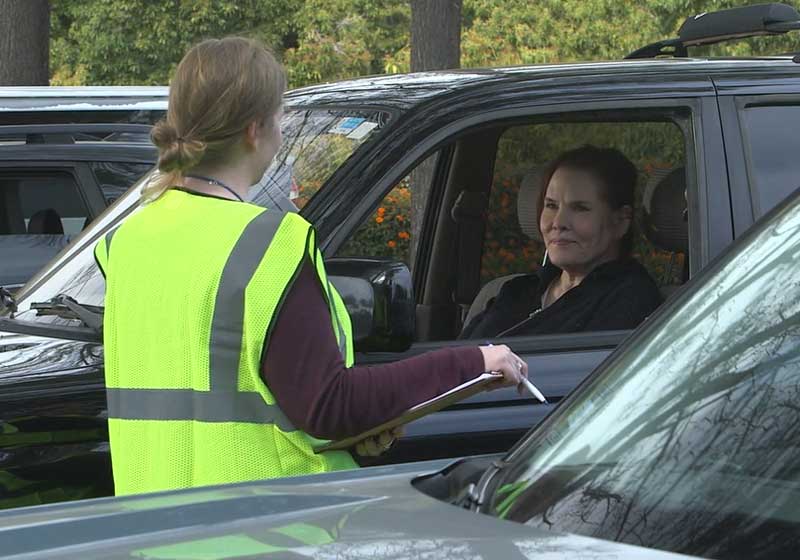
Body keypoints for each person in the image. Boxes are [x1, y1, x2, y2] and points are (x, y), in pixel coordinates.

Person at [94, 37, 528, 496]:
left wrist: (359, 434)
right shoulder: (268, 244)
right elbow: (328, 405)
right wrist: (474, 363)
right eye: (281, 117)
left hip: (159, 528)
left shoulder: (128, 241)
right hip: (270, 528)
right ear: (255, 129)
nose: (282, 133)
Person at [461, 145, 662, 340]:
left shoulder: (630, 300)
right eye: (551, 205)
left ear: (620, 221)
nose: (558, 223)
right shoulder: (516, 291)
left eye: (580, 208)